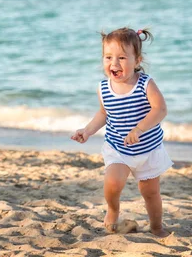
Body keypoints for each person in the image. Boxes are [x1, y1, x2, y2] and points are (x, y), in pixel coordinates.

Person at [71, 28, 173, 237]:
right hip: (118, 148)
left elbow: (160, 109)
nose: (114, 64)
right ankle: (113, 209)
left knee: (150, 193)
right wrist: (87, 130)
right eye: (108, 57)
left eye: (122, 58)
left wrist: (139, 128)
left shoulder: (145, 84)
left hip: (148, 150)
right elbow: (103, 113)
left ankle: (156, 226)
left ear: (137, 61)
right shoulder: (104, 88)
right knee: (113, 183)